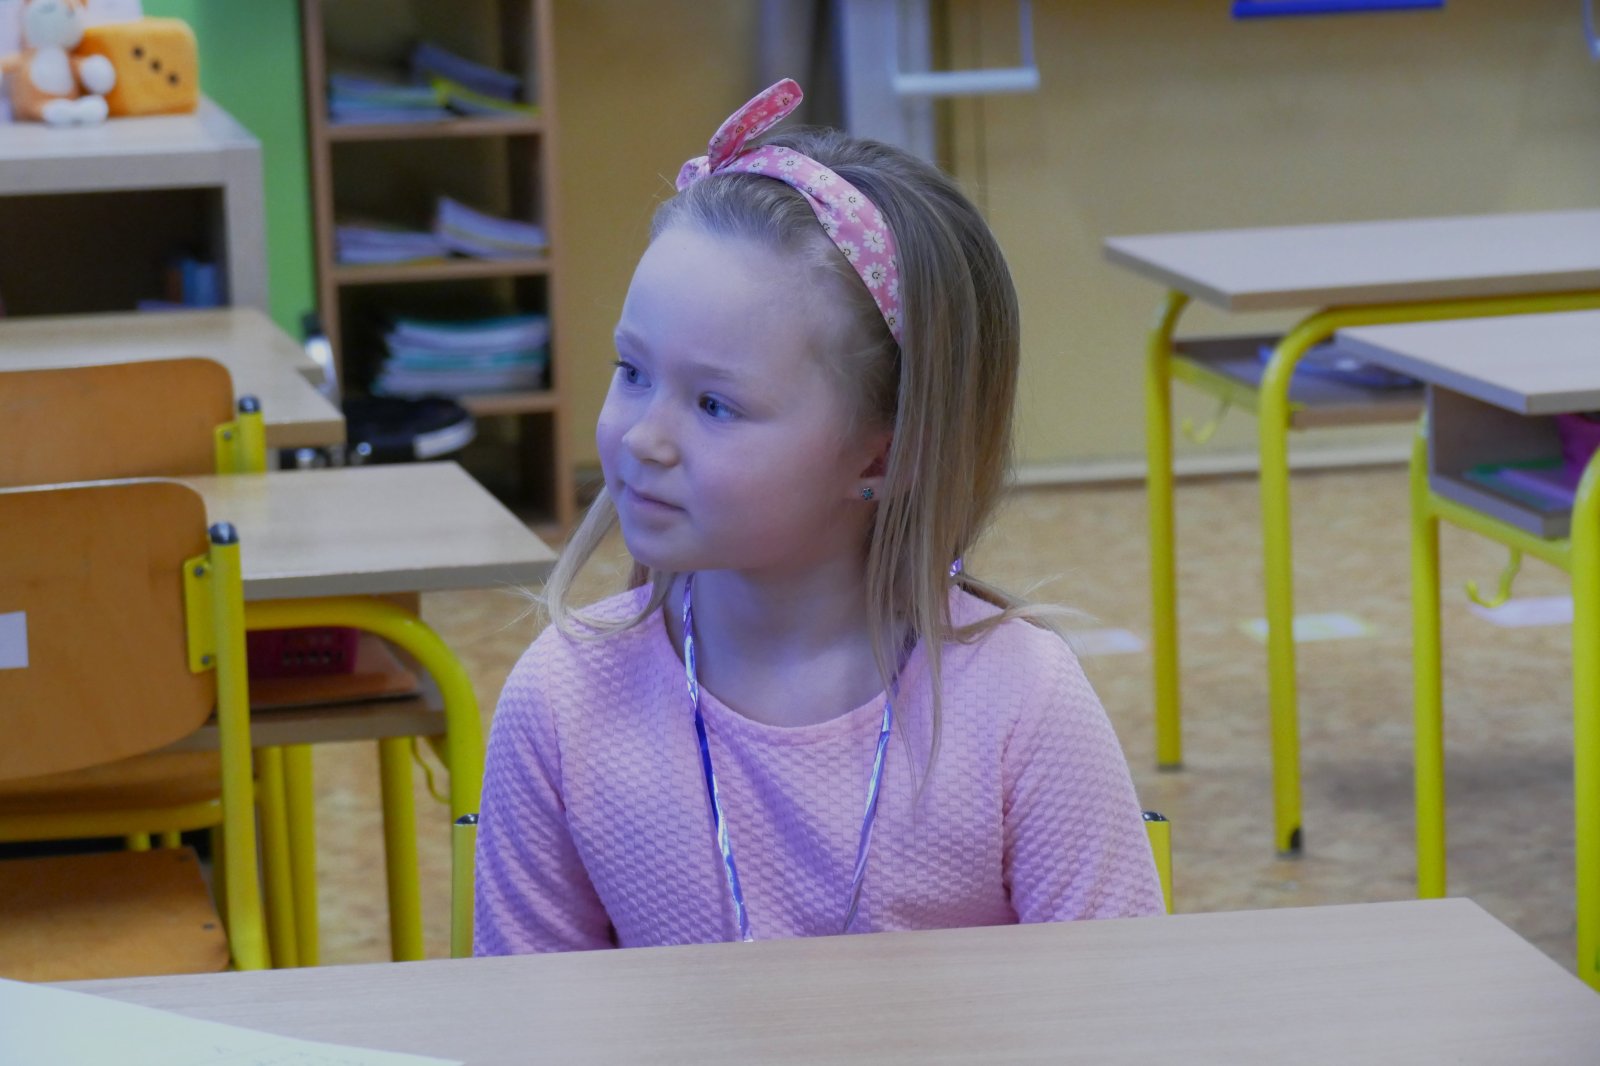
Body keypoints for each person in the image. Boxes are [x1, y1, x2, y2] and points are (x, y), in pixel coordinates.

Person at [474, 80, 1164, 954]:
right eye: (632, 371)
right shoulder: (561, 699)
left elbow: (1119, 1007)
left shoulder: (1020, 703)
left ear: (881, 457)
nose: (644, 438)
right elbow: (531, 1012)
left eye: (715, 405)